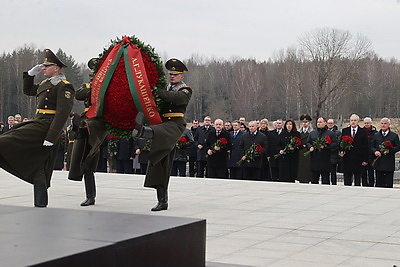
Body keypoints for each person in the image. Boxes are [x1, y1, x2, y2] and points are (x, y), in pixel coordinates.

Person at [0, 49, 74, 207]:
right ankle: (40, 206)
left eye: (48, 66)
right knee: (38, 168)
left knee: (6, 141)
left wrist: (51, 136)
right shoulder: (45, 84)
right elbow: (28, 91)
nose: (44, 68)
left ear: (57, 68)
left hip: (45, 127)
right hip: (37, 123)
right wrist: (29, 74)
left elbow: (62, 114)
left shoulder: (64, 87)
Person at [133, 58, 192, 211]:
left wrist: (157, 91)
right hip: (163, 124)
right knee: (160, 162)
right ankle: (162, 200)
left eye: (175, 74)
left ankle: (144, 132)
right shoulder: (165, 87)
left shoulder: (185, 89)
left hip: (175, 125)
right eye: (171, 74)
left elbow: (177, 99)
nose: (172, 76)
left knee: (158, 132)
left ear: (181, 76)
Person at [68, 58, 107, 206]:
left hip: (98, 122)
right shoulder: (88, 86)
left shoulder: (107, 87)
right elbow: (78, 94)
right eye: (93, 70)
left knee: (89, 156)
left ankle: (91, 195)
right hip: (86, 121)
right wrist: (94, 88)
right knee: (85, 159)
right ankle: (90, 195)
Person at [306, 117, 338, 184]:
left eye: (320, 122)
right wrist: (310, 147)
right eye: (318, 122)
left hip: (325, 160)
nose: (318, 123)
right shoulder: (312, 133)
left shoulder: (330, 133)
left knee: (325, 180)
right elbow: (308, 142)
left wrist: (326, 146)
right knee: (314, 180)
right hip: (315, 159)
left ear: (325, 123)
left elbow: (335, 143)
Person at [339, 114, 369, 186]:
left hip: (358, 159)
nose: (353, 122)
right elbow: (340, 143)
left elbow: (366, 146)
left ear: (358, 121)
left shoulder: (363, 132)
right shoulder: (345, 131)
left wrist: (365, 159)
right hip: (347, 158)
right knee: (347, 180)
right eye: (351, 120)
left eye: (355, 120)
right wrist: (341, 151)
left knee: (357, 180)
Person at [371, 118, 400, 188]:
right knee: (379, 184)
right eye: (382, 123)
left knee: (388, 184)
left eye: (385, 123)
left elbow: (398, 147)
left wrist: (390, 150)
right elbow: (372, 146)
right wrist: (375, 151)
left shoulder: (394, 136)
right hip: (379, 163)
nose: (383, 125)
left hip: (389, 163)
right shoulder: (376, 135)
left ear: (389, 125)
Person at [361, 117, 377, 187]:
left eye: (368, 123)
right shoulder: (361, 132)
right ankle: (364, 184)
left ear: (371, 123)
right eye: (365, 123)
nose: (366, 124)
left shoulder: (375, 133)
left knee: (371, 172)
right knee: (363, 172)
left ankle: (371, 185)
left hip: (372, 155)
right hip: (363, 155)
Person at [297, 114, 312, 183]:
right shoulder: (299, 132)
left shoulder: (311, 132)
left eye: (306, 122)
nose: (305, 123)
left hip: (308, 152)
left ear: (309, 123)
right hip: (301, 152)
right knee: (301, 167)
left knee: (307, 167)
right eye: (303, 122)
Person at [327, 118, 341, 185]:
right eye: (328, 123)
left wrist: (330, 149)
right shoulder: (325, 132)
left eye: (331, 123)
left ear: (334, 124)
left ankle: (334, 183)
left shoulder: (337, 133)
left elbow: (338, 143)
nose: (330, 125)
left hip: (334, 155)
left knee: (333, 172)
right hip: (326, 154)